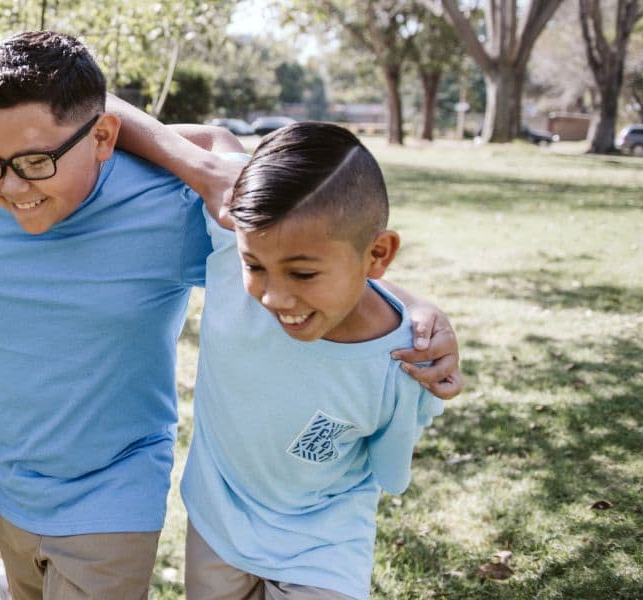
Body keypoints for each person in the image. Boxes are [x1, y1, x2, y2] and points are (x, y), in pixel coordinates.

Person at [0, 33, 460, 599]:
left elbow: (306, 242)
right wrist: (197, 161)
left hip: (135, 496)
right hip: (27, 489)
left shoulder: (181, 211)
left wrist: (408, 304)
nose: (11, 182)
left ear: (100, 139)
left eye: (36, 161)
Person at [181, 122, 445, 600]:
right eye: (255, 266)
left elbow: (389, 467)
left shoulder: (406, 361)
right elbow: (208, 139)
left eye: (303, 273)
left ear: (378, 254)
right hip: (217, 526)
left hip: (325, 544)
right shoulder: (233, 235)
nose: (275, 296)